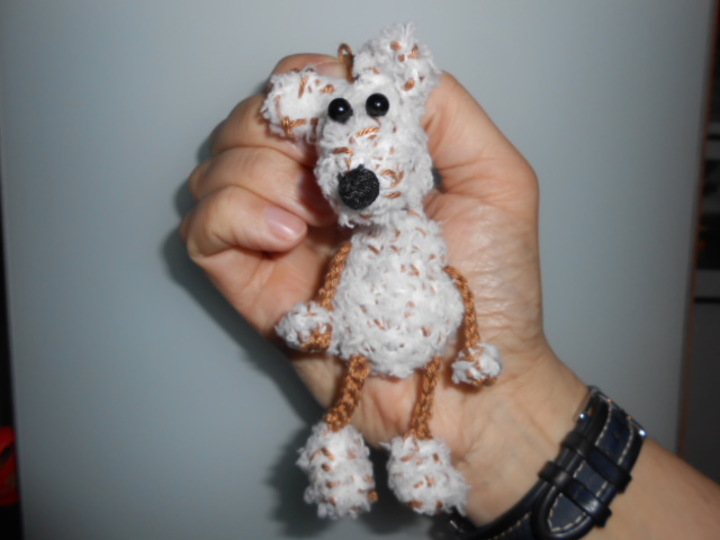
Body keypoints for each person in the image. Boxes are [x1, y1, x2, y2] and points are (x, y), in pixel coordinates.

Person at [180, 53, 720, 538]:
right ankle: (339, 459)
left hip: (422, 339)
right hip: (360, 335)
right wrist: (321, 314)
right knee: (350, 399)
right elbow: (346, 270)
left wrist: (482, 366)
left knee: (416, 405)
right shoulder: (352, 251)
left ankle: (417, 455)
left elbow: (458, 283)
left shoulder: (428, 240)